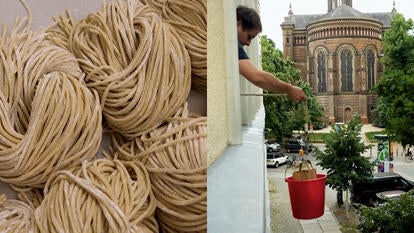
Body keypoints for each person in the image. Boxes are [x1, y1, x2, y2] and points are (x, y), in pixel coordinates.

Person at [236, 5, 305, 101]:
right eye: (249, 36)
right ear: (238, 24)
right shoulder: (233, 45)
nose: (248, 43)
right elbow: (258, 77)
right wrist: (289, 89)